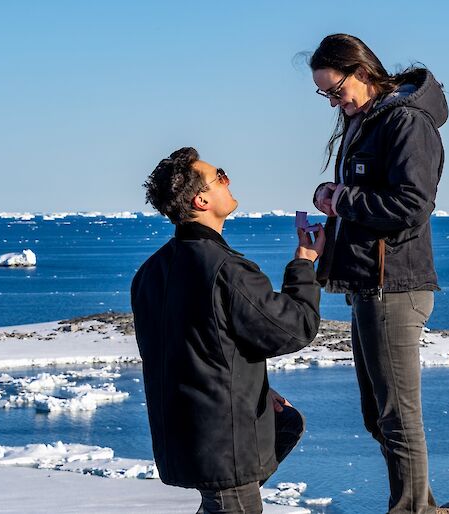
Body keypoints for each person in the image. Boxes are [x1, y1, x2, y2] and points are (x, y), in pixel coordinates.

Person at [131, 147, 325, 514]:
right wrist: (304, 264)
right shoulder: (226, 269)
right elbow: (295, 328)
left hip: (186, 434)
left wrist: (254, 390)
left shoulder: (149, 273)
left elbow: (193, 351)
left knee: (287, 423)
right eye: (219, 175)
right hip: (225, 446)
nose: (228, 179)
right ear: (201, 199)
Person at [308, 34, 448, 514]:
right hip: (369, 283)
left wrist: (342, 199)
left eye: (335, 89)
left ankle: (411, 510)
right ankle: (418, 503)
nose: (333, 100)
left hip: (396, 285)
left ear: (361, 72)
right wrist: (334, 193)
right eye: (325, 94)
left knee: (397, 416)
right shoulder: (367, 121)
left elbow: (412, 205)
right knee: (379, 415)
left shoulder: (405, 122)